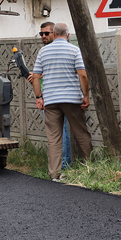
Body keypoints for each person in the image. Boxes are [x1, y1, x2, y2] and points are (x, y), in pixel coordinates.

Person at [31, 22, 92, 181]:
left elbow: (35, 76)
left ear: (54, 34)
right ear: (68, 35)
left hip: (51, 101)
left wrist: (39, 97)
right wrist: (86, 95)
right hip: (72, 100)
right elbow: (83, 75)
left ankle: (54, 174)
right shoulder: (74, 50)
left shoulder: (43, 52)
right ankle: (89, 170)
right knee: (81, 134)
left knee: (54, 139)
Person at [28, 21, 72, 169]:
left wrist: (40, 76)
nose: (43, 36)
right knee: (59, 132)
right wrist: (36, 79)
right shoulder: (45, 51)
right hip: (50, 97)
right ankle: (63, 164)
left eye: (46, 33)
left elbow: (63, 73)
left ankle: (63, 165)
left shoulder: (58, 50)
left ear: (55, 33)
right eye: (41, 34)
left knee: (59, 132)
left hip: (57, 97)